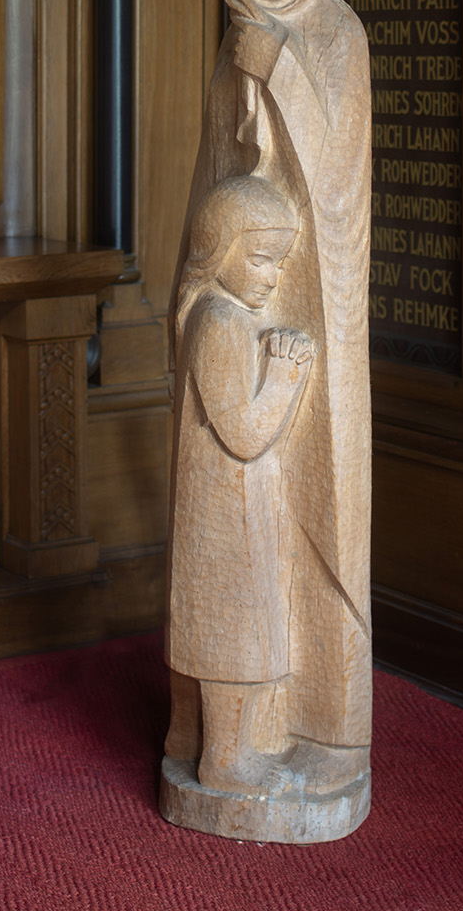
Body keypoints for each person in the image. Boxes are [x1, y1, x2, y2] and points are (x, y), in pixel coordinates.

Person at [168, 0, 372, 797]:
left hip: (308, 288)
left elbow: (333, 178)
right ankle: (228, 738)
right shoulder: (232, 43)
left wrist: (276, 67)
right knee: (240, 555)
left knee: (302, 519)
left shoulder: (336, 37)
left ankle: (314, 719)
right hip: (240, 294)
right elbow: (221, 176)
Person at [165, 174, 313, 796]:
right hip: (225, 511)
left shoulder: (221, 313)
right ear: (219, 246)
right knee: (234, 632)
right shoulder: (221, 321)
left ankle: (236, 749)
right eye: (259, 257)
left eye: (279, 262)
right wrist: (285, 373)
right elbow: (245, 435)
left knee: (250, 628)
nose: (273, 276)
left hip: (240, 504)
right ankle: (223, 759)